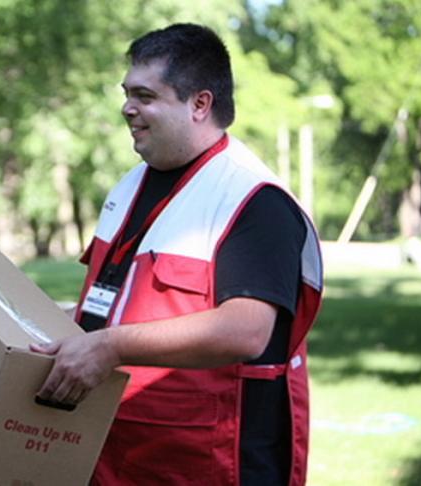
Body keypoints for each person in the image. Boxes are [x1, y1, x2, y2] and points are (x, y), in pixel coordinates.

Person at [32, 24, 323, 485]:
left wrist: (109, 346)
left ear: (200, 104)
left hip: (207, 463)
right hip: (113, 452)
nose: (127, 108)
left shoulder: (254, 199)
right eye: (127, 93)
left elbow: (246, 330)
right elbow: (113, 306)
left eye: (145, 96)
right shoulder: (130, 185)